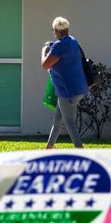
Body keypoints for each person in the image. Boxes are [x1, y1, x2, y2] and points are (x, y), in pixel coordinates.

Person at [41, 16, 88, 149]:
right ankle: (48, 149)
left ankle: (81, 152)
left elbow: (45, 65)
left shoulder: (59, 45)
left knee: (69, 122)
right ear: (67, 29)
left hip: (67, 92)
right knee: (57, 120)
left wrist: (44, 51)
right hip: (79, 88)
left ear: (55, 30)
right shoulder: (73, 41)